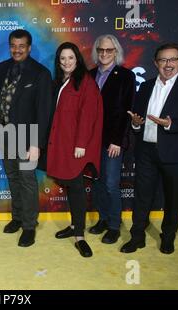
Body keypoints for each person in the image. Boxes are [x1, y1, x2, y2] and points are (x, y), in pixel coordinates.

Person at [121, 43, 178, 254]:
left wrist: (171, 124)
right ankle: (137, 237)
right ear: (155, 63)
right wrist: (136, 123)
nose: (168, 64)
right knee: (141, 196)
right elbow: (137, 118)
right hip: (146, 152)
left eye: (173, 60)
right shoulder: (146, 86)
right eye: (163, 60)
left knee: (173, 199)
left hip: (177, 155)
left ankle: (168, 238)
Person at [0, 29, 53, 247]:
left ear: (29, 47)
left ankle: (29, 226)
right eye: (13, 45)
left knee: (27, 181)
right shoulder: (1, 68)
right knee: (13, 177)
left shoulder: (41, 73)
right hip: (3, 134)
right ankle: (17, 218)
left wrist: (37, 144)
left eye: (21, 46)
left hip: (28, 139)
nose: (17, 50)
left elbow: (44, 112)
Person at [47, 42, 103, 258]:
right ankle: (73, 225)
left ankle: (79, 236)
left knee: (77, 188)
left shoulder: (85, 82)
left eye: (70, 58)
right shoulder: (62, 81)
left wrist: (81, 144)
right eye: (62, 59)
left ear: (77, 59)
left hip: (76, 146)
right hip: (62, 143)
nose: (66, 62)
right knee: (70, 186)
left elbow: (89, 115)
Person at [89, 34, 136, 244]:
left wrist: (118, 141)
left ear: (116, 52)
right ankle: (103, 219)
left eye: (109, 50)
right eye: (101, 50)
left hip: (113, 141)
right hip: (92, 141)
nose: (105, 54)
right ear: (96, 52)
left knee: (110, 183)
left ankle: (114, 226)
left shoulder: (126, 76)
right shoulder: (89, 75)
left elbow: (127, 111)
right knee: (98, 183)